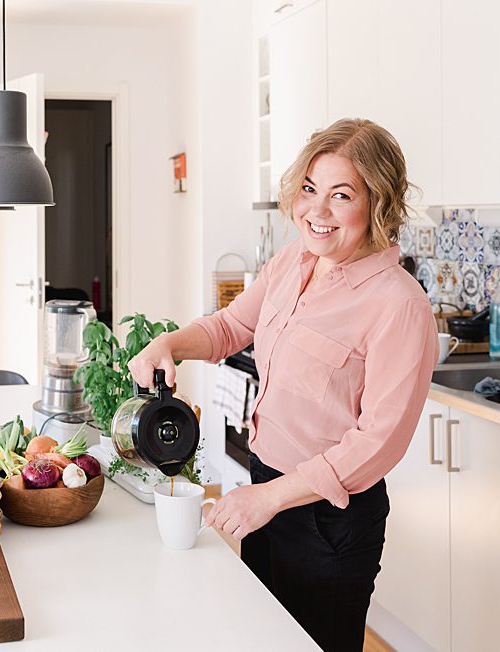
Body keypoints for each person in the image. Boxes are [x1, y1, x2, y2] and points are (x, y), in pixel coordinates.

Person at [127, 118, 434, 651]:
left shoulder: (399, 304)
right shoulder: (296, 260)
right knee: (263, 638)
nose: (316, 210)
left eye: (341, 195)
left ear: (378, 204)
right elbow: (230, 327)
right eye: (310, 189)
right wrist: (169, 345)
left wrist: (269, 499)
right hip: (265, 483)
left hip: (327, 519)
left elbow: (377, 443)